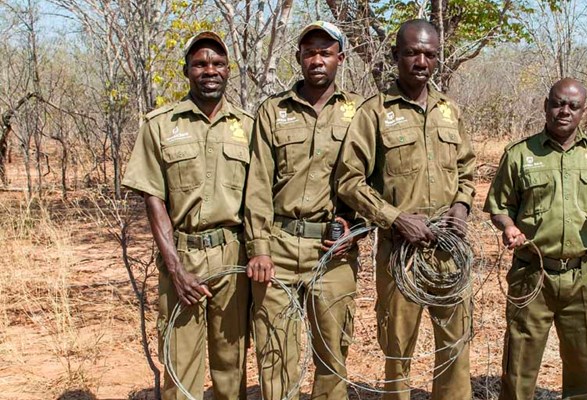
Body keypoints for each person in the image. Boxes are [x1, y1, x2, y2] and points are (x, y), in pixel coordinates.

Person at [335, 19, 476, 400]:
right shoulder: (374, 112)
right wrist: (394, 217)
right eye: (412, 52)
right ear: (396, 55)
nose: (421, 61)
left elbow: (467, 170)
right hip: (401, 251)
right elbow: (349, 180)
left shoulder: (450, 111)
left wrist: (461, 207)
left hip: (450, 251)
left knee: (454, 345)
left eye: (429, 54)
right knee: (398, 347)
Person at [122, 31, 252, 400]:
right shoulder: (161, 124)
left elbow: (258, 200)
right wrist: (175, 267)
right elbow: (153, 198)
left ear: (229, 71)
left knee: (232, 364)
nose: (209, 70)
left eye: (217, 63)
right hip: (182, 257)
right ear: (186, 71)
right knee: (181, 366)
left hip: (232, 256)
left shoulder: (249, 126)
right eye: (199, 64)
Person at [243, 21, 364, 400]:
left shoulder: (359, 112)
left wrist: (354, 226)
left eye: (325, 52)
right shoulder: (272, 111)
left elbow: (372, 181)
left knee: (333, 351)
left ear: (340, 59)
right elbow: (258, 185)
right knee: (275, 353)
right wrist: (258, 248)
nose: (317, 59)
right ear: (298, 57)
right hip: (277, 246)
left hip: (333, 251)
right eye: (309, 51)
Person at [484, 78, 587, 400]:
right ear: (546, 106)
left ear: (583, 111)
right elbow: (499, 207)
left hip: (584, 275)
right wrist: (507, 226)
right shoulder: (520, 154)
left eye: (573, 106)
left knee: (583, 363)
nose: (564, 111)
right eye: (558, 103)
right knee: (519, 366)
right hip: (533, 275)